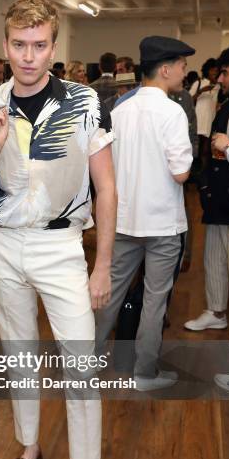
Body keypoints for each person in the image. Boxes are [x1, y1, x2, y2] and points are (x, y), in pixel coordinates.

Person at [0, 0, 117, 459]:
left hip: (61, 248)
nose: (29, 56)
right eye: (20, 45)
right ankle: (29, 448)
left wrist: (102, 266)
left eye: (40, 45)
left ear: (54, 44)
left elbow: (106, 187)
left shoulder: (84, 102)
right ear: (5, 46)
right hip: (6, 245)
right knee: (19, 352)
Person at [95, 35, 194, 391]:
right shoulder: (173, 111)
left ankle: (85, 364)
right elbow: (181, 172)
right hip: (163, 223)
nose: (185, 72)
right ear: (165, 69)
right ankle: (144, 373)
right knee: (155, 299)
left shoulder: (119, 110)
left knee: (110, 294)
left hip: (123, 220)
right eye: (182, 66)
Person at [185, 46, 229, 354]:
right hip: (219, 200)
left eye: (226, 73)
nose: (221, 79)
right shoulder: (226, 106)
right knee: (214, 258)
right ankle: (217, 312)